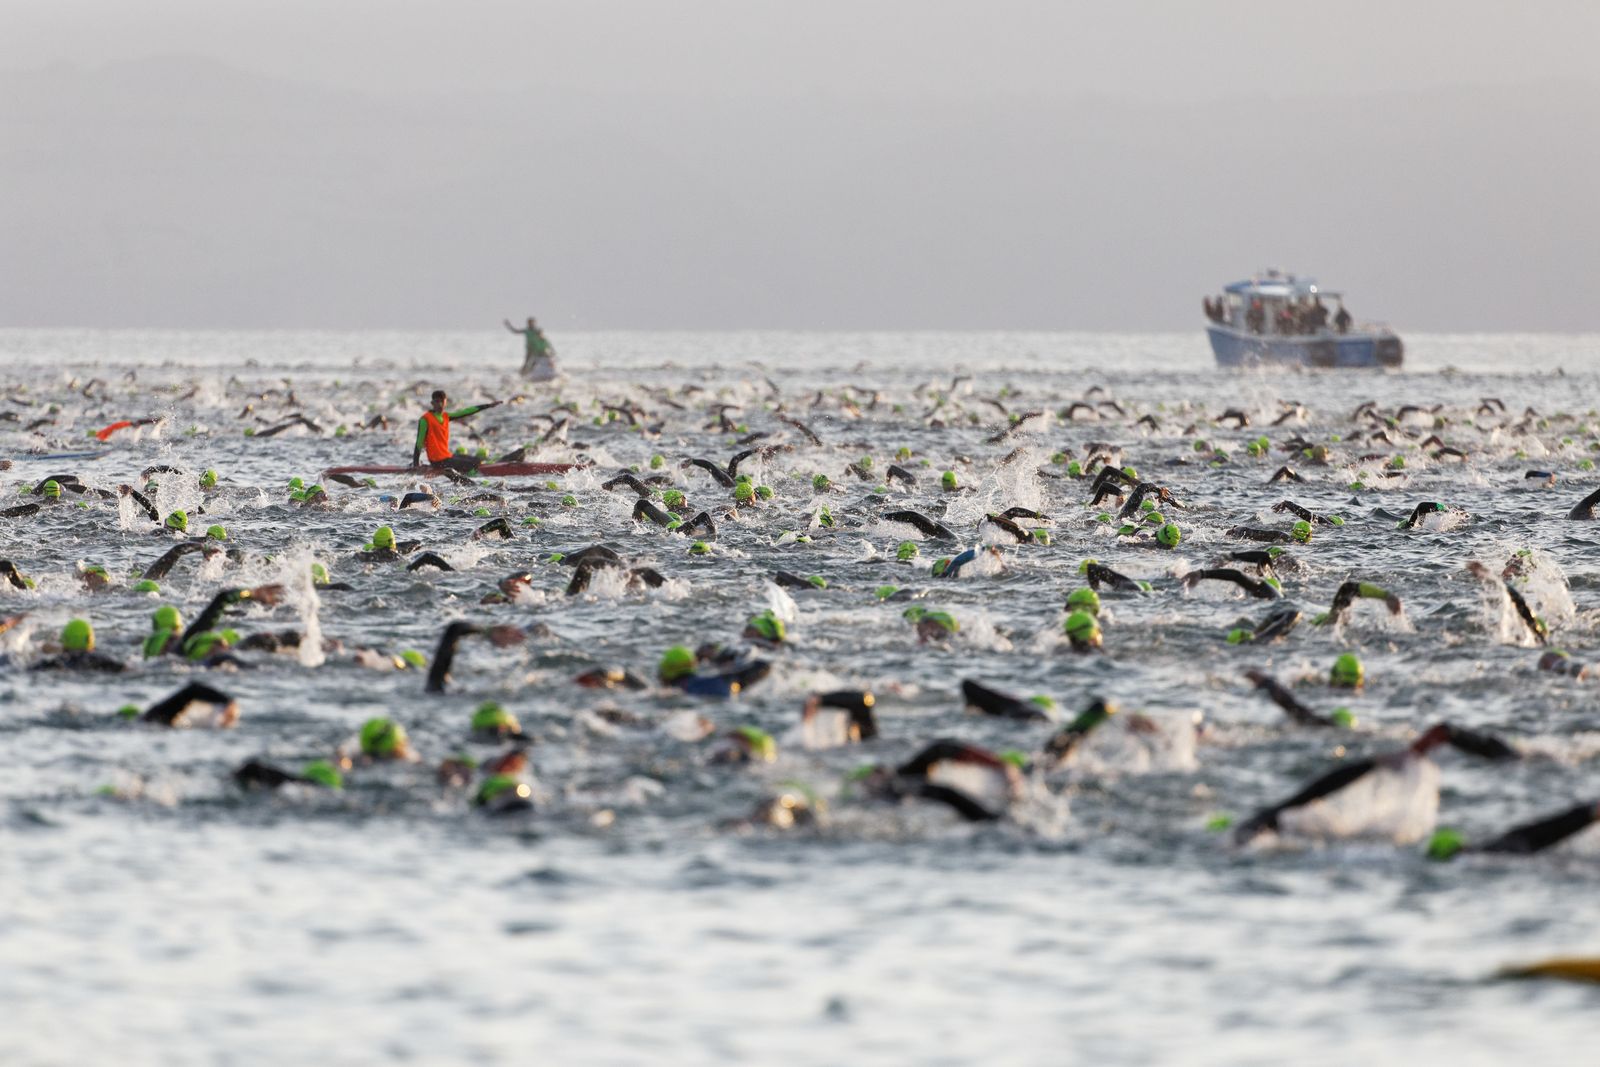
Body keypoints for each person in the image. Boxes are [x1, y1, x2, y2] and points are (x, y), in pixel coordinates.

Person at [410, 390, 502, 470]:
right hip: (437, 461)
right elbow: (419, 442)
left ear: (446, 402)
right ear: (432, 403)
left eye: (442, 401)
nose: (440, 404)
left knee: (476, 460)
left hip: (447, 456)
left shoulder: (446, 416)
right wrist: (416, 464)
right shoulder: (425, 419)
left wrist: (488, 405)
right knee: (473, 464)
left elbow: (467, 411)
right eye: (437, 401)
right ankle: (472, 476)